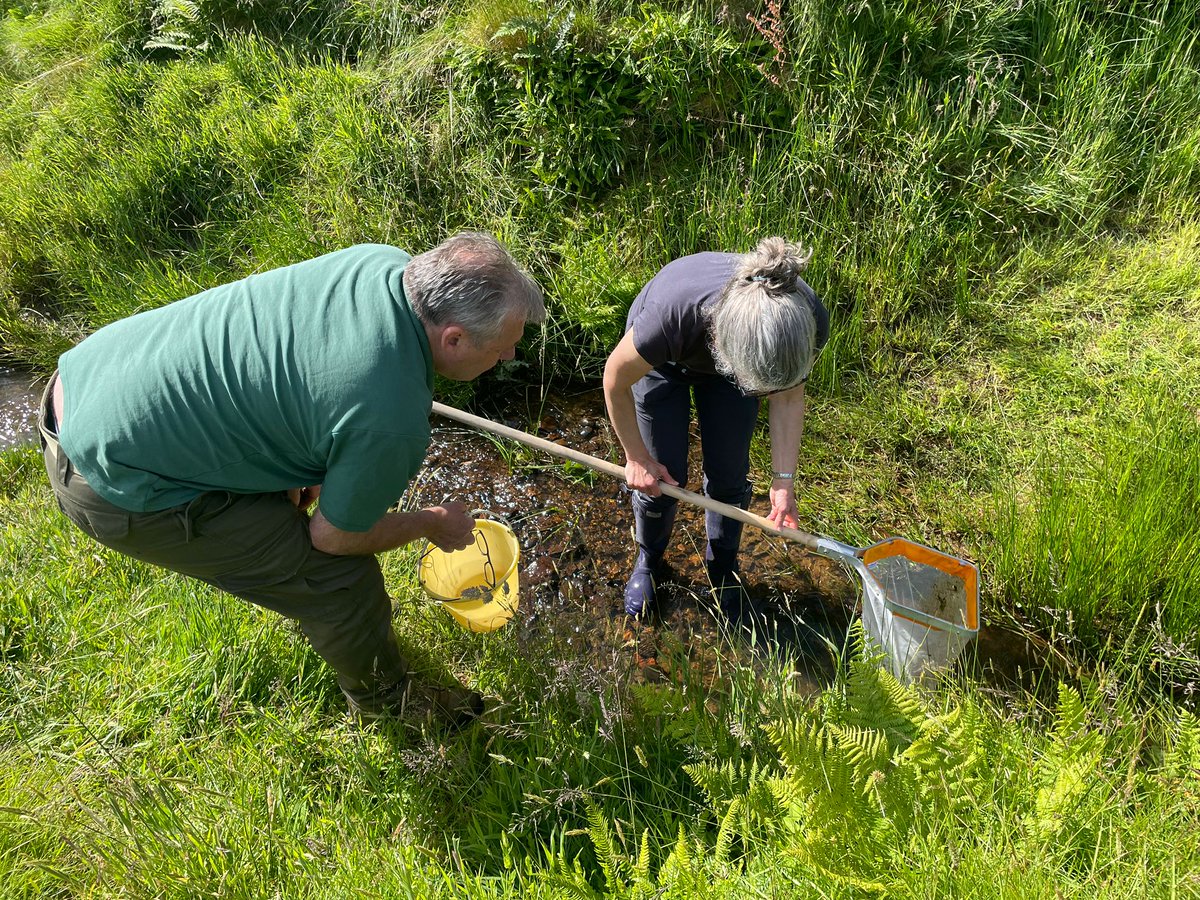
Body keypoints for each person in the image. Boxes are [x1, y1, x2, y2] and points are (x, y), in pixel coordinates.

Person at [37, 234, 545, 727]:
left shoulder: (382, 265)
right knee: (341, 583)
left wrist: (305, 465)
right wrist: (432, 523)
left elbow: (302, 373)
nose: (508, 360)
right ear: (453, 338)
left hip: (87, 376)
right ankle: (392, 707)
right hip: (109, 476)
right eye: (502, 349)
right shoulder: (391, 420)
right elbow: (334, 537)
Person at [602, 237, 829, 620]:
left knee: (729, 475)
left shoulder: (802, 320)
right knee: (662, 477)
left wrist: (783, 481)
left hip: (742, 359)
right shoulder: (669, 318)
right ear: (724, 348)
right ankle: (649, 559)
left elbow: (788, 397)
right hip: (665, 364)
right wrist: (636, 458)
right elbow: (614, 380)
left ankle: (722, 564)